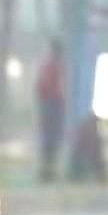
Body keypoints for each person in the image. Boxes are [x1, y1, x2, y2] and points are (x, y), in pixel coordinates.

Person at [35, 38, 66, 182]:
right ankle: (47, 171)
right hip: (52, 105)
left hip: (50, 105)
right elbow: (48, 87)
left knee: (50, 140)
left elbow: (39, 87)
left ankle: (47, 170)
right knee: (51, 140)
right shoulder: (53, 66)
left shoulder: (48, 65)